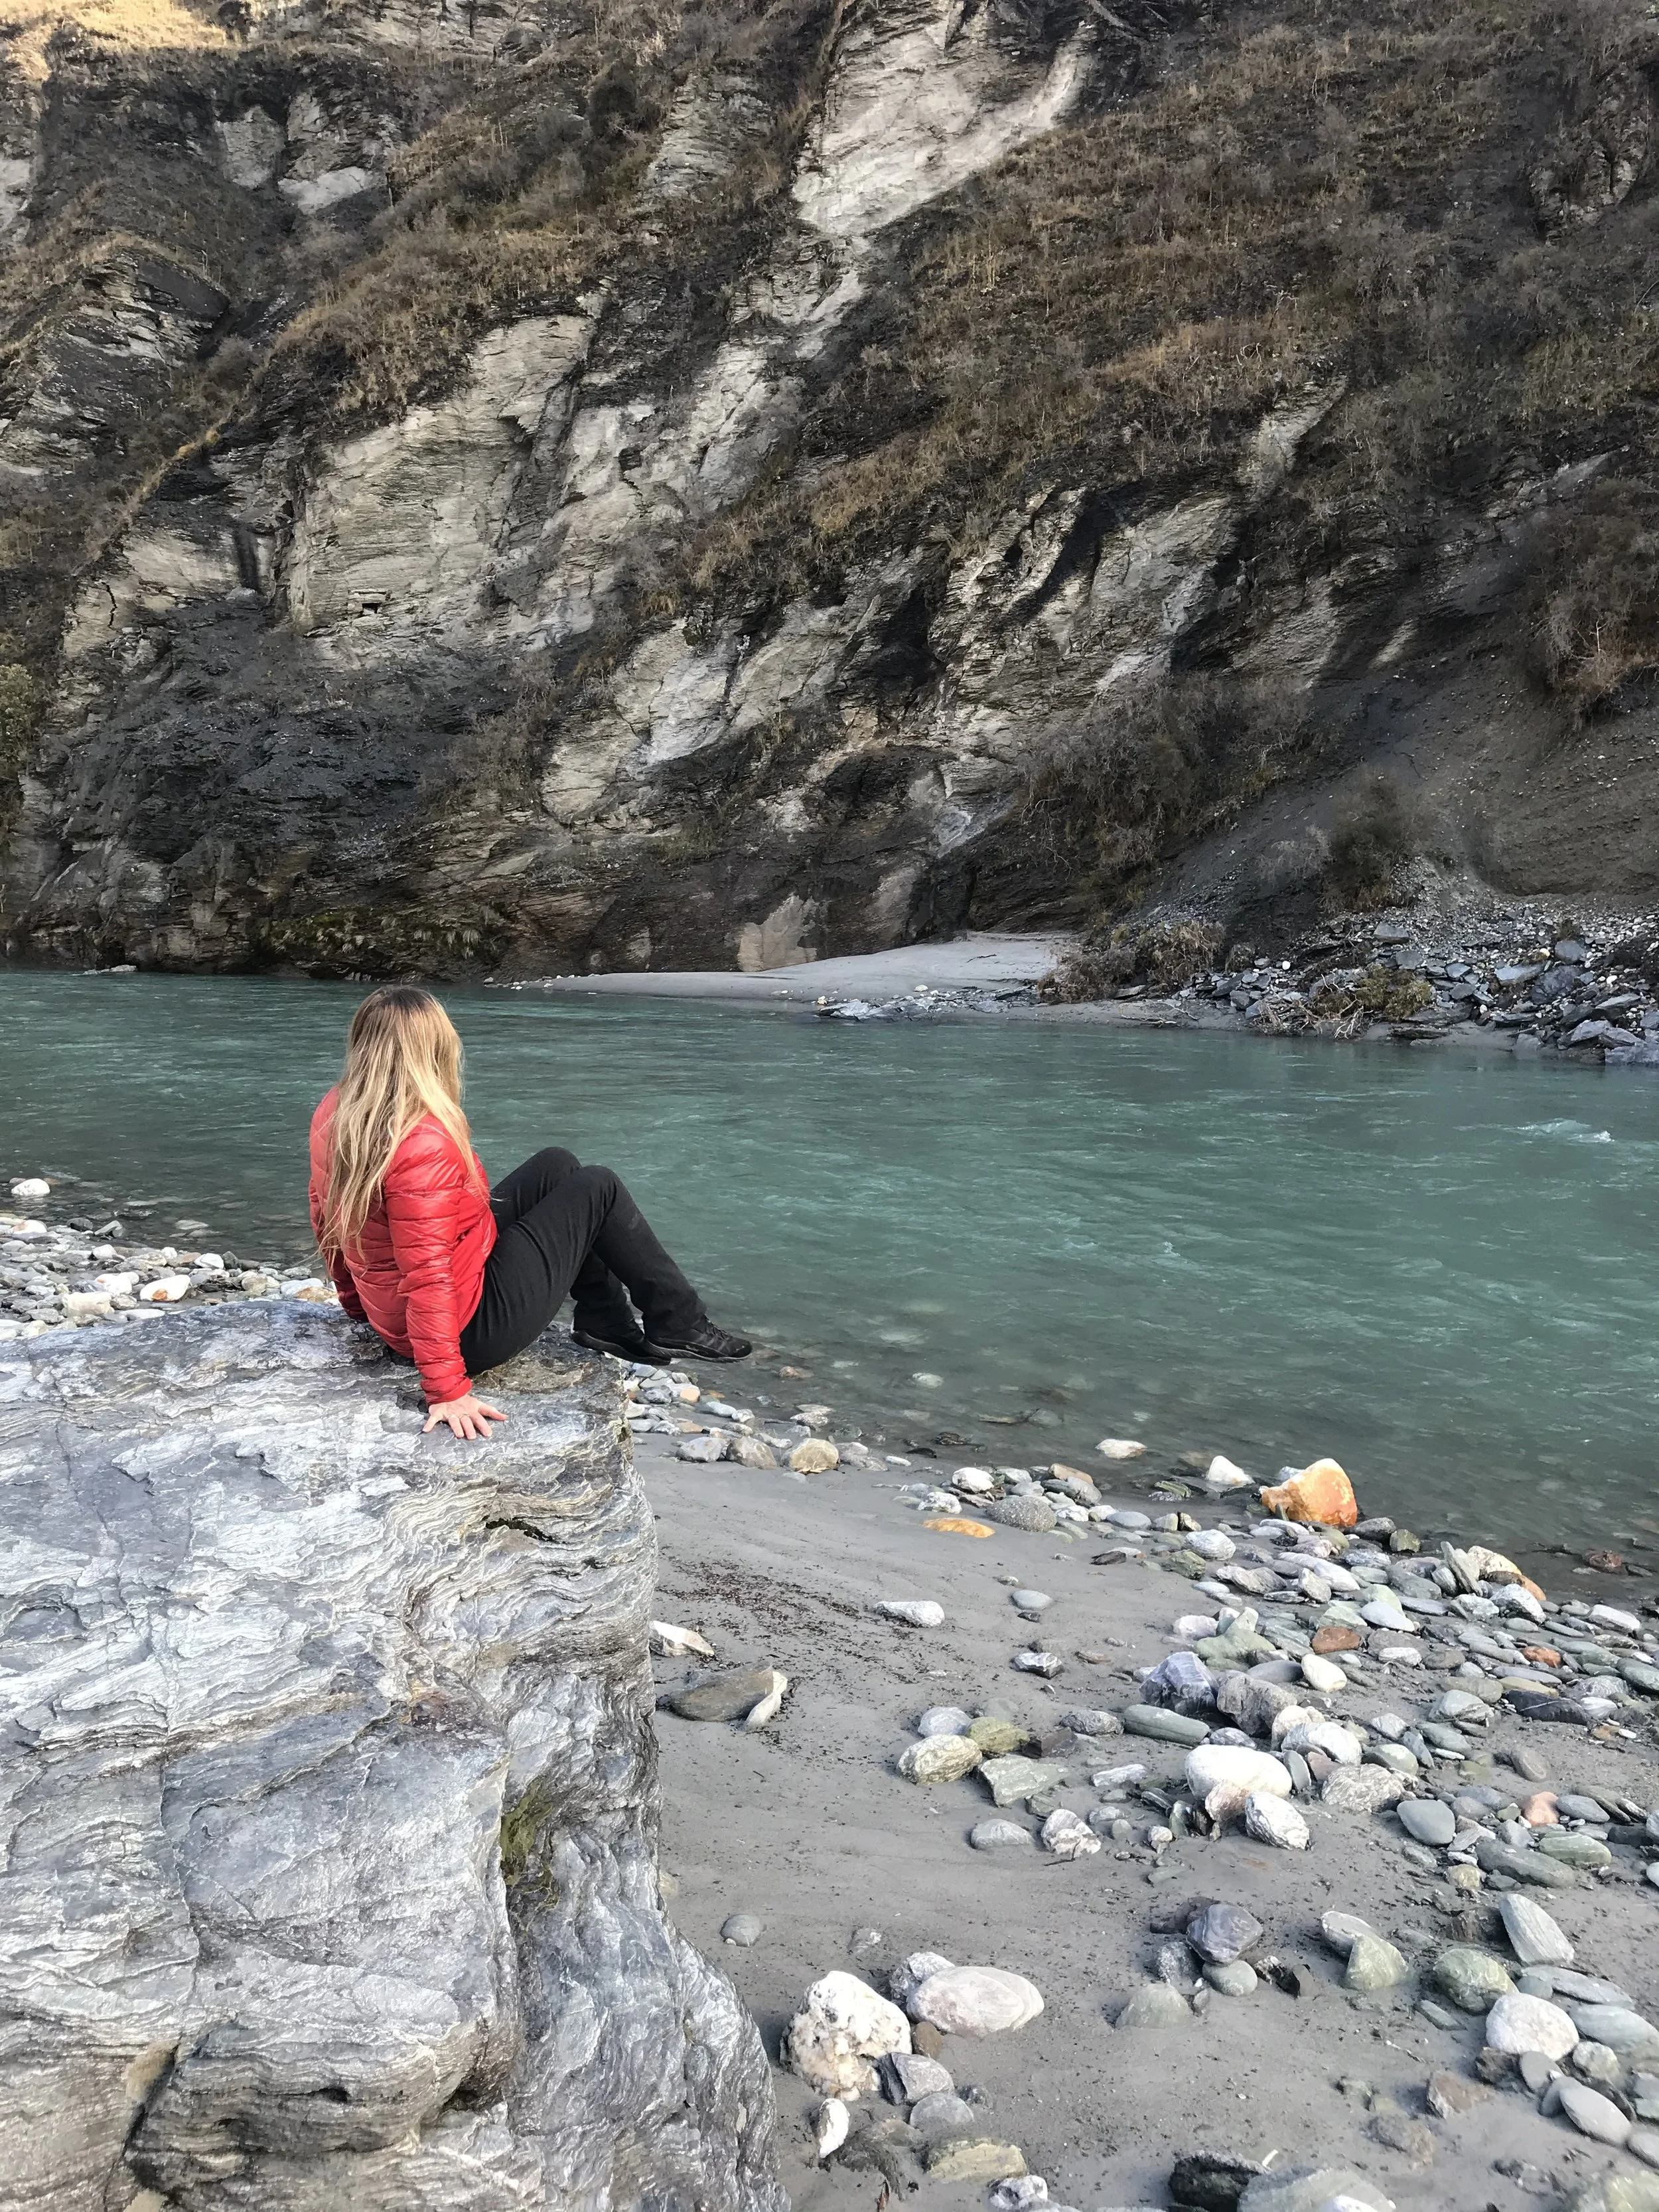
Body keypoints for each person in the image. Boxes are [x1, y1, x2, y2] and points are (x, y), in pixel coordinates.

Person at [309, 984, 749, 1440]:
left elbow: (327, 1219)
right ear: (433, 1049)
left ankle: (606, 1319)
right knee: (598, 1187)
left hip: (416, 1306)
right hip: (471, 1329)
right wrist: (446, 1388)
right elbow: (428, 1273)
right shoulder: (421, 1140)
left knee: (557, 1165)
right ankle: (679, 1322)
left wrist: (360, 1306)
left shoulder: (336, 1110)